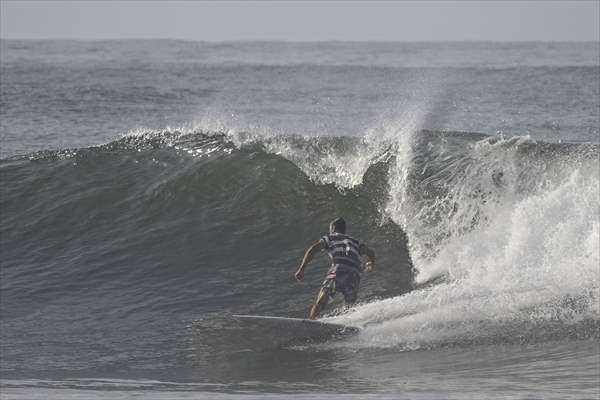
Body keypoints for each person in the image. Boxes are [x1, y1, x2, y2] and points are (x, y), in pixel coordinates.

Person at [294, 217, 376, 319]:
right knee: (349, 306)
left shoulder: (330, 237)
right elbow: (370, 252)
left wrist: (302, 269)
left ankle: (311, 321)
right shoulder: (356, 241)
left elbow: (313, 249)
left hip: (338, 270)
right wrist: (371, 264)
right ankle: (345, 325)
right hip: (354, 273)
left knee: (321, 301)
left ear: (332, 228)